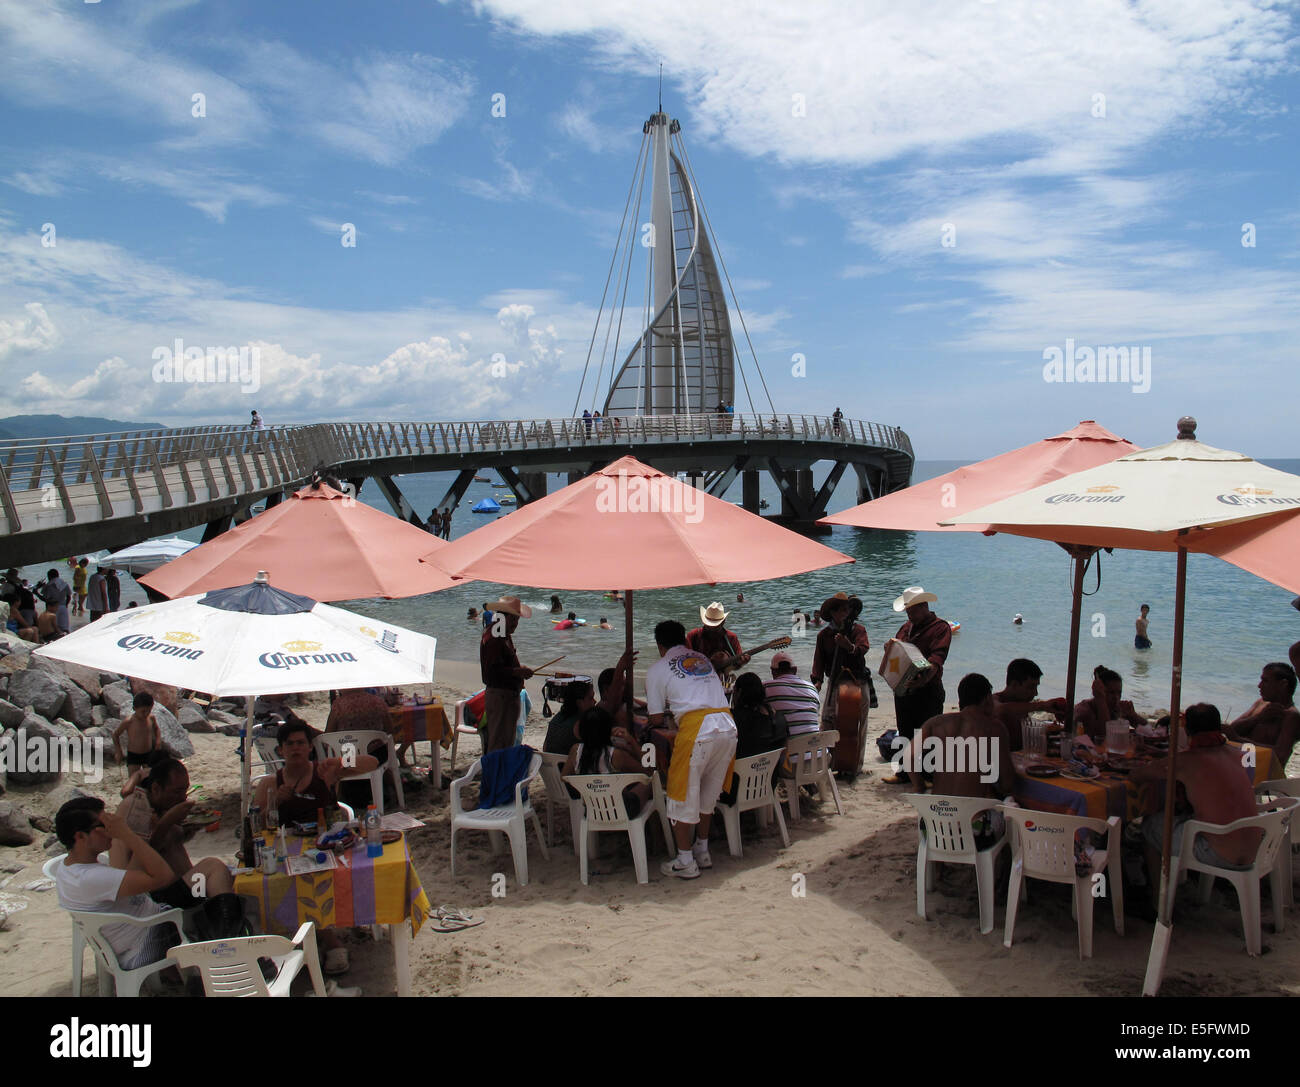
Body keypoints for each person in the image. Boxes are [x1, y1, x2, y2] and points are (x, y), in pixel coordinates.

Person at [253, 720, 378, 973]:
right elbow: (257, 824)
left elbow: (372, 763)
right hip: (287, 847)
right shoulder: (270, 783)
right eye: (290, 744)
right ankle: (325, 940)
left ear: (310, 747)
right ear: (281, 750)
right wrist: (276, 802)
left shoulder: (324, 771)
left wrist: (341, 762)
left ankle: (326, 940)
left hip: (327, 844)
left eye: (301, 743)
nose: (296, 749)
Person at [1134, 703, 1263, 904]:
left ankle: (1157, 900)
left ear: (1187, 729)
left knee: (1150, 824)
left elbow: (1138, 776)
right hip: (1255, 849)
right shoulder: (1236, 754)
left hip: (1219, 852)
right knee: (1176, 818)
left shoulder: (1187, 761)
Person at [646, 620, 737, 879]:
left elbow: (654, 719)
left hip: (698, 730)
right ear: (685, 640)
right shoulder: (701, 659)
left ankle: (685, 861)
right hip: (727, 725)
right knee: (708, 793)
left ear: (659, 645)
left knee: (680, 793)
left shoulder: (658, 669)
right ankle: (702, 850)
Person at [53, 798, 181, 971]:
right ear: (81, 836)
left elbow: (129, 874)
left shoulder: (69, 868)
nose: (110, 831)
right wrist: (128, 835)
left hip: (129, 940)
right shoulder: (93, 878)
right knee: (204, 903)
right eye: (103, 826)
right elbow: (164, 876)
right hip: (146, 942)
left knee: (200, 884)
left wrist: (143, 835)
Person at [110, 753, 235, 907]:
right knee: (213, 866)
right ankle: (227, 929)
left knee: (231, 878)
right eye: (176, 792)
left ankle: (222, 924)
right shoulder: (137, 808)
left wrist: (190, 829)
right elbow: (138, 864)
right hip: (156, 899)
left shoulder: (161, 805)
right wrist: (167, 823)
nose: (183, 797)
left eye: (185, 790)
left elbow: (170, 846)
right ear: (156, 788)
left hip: (185, 889)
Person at [905, 672, 1015, 804]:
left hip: (937, 815)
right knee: (1010, 802)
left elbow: (909, 756)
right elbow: (1007, 784)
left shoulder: (935, 723)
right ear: (987, 700)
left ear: (960, 701)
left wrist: (919, 786)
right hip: (973, 819)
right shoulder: (995, 728)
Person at [881, 587, 952, 785]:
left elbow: (938, 657)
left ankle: (928, 776)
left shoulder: (941, 628)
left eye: (912, 610)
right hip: (904, 688)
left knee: (927, 733)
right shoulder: (906, 627)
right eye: (907, 611)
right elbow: (896, 650)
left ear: (924, 606)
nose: (909, 614)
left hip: (928, 689)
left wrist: (924, 678)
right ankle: (903, 773)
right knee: (904, 731)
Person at [809, 591, 871, 741]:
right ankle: (831, 756)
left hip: (857, 680)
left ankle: (856, 763)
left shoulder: (857, 630)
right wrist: (817, 680)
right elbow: (819, 660)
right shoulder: (824, 635)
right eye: (842, 610)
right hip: (835, 680)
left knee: (858, 725)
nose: (846, 613)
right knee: (828, 720)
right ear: (833, 612)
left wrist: (849, 646)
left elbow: (863, 648)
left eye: (847, 610)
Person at [563, 707, 649, 814]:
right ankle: (653, 828)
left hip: (592, 810)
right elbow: (647, 771)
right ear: (608, 729)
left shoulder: (576, 750)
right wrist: (631, 741)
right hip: (620, 811)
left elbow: (565, 777)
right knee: (649, 784)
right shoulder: (615, 755)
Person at [479, 596, 533, 752]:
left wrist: (518, 670)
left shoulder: (502, 633)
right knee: (499, 743)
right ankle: (495, 774)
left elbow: (503, 665)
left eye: (517, 620)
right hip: (501, 696)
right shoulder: (495, 636)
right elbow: (492, 672)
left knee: (506, 742)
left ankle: (498, 773)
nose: (515, 624)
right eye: (513, 620)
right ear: (503, 617)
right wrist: (517, 671)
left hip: (507, 695)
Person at [1225, 663, 1300, 771]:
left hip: (1263, 777)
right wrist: (1257, 718)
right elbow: (1233, 729)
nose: (1259, 685)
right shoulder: (1261, 704)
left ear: (1283, 684)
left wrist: (1238, 739)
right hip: (1242, 770)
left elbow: (1280, 756)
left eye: (1265, 681)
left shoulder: (1291, 716)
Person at [994, 658, 1068, 750]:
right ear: (1014, 684)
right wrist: (1043, 706)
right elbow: (1001, 709)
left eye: (1036, 687)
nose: (1036, 693)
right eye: (1031, 687)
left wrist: (1056, 728)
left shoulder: (1022, 705)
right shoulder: (994, 701)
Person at [1073, 665, 1144, 743]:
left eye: (1119, 693)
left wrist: (1134, 716)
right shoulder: (1084, 710)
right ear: (1100, 691)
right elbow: (1104, 737)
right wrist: (1101, 699)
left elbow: (1148, 731)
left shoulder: (1116, 709)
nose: (1116, 697)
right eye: (1111, 693)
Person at [762, 652, 821, 738]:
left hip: (789, 750)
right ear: (795, 669)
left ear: (772, 671)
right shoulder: (812, 688)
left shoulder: (765, 687)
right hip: (817, 748)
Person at [686, 601, 747, 677]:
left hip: (722, 680)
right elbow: (685, 662)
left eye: (715, 627)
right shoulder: (693, 636)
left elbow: (737, 664)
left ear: (723, 622)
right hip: (696, 678)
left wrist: (741, 662)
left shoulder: (731, 637)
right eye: (708, 626)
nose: (711, 629)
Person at [543, 677, 596, 755]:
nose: (595, 701)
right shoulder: (580, 724)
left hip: (550, 762)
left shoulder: (557, 718)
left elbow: (545, 747)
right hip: (566, 764)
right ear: (579, 703)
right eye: (591, 698)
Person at [111, 692, 162, 768]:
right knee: (134, 776)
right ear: (134, 708)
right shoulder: (129, 721)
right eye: (143, 711)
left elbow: (156, 729)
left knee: (149, 776)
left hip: (148, 753)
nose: (146, 714)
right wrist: (118, 751)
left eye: (149, 710)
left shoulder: (151, 718)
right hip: (134, 754)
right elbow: (115, 735)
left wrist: (158, 741)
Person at [39, 567, 72, 634]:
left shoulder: (49, 585)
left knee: (54, 628)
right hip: (63, 607)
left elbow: (45, 599)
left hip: (53, 609)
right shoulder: (64, 584)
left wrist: (36, 593)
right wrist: (66, 605)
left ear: (49, 576)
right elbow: (68, 596)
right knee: (65, 628)